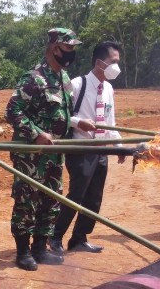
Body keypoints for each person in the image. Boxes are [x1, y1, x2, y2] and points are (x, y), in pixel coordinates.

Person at [6, 28, 81, 271]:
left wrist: (77, 122)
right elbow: (13, 111)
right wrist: (36, 133)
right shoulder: (34, 78)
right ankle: (23, 250)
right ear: (54, 48)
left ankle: (40, 246)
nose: (71, 52)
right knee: (27, 200)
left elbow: (60, 115)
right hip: (30, 154)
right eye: (68, 47)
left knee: (51, 199)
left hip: (54, 152)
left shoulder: (65, 79)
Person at [51, 41, 125, 255]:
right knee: (77, 194)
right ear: (99, 62)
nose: (116, 67)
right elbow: (61, 115)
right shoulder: (77, 84)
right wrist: (78, 123)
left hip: (101, 149)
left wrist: (118, 146)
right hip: (81, 147)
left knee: (94, 197)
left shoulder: (109, 88)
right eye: (113, 62)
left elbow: (110, 120)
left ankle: (79, 238)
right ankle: (55, 236)